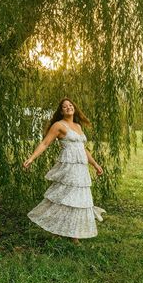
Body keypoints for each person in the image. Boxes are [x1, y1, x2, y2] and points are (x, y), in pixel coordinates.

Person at [23, 98, 106, 244]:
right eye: (64, 106)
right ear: (61, 111)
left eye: (70, 105)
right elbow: (45, 143)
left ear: (74, 108)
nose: (68, 108)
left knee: (78, 199)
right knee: (65, 198)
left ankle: (72, 233)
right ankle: (62, 231)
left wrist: (95, 165)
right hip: (69, 167)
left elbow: (83, 149)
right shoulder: (58, 125)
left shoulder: (78, 127)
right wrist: (31, 158)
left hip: (81, 168)